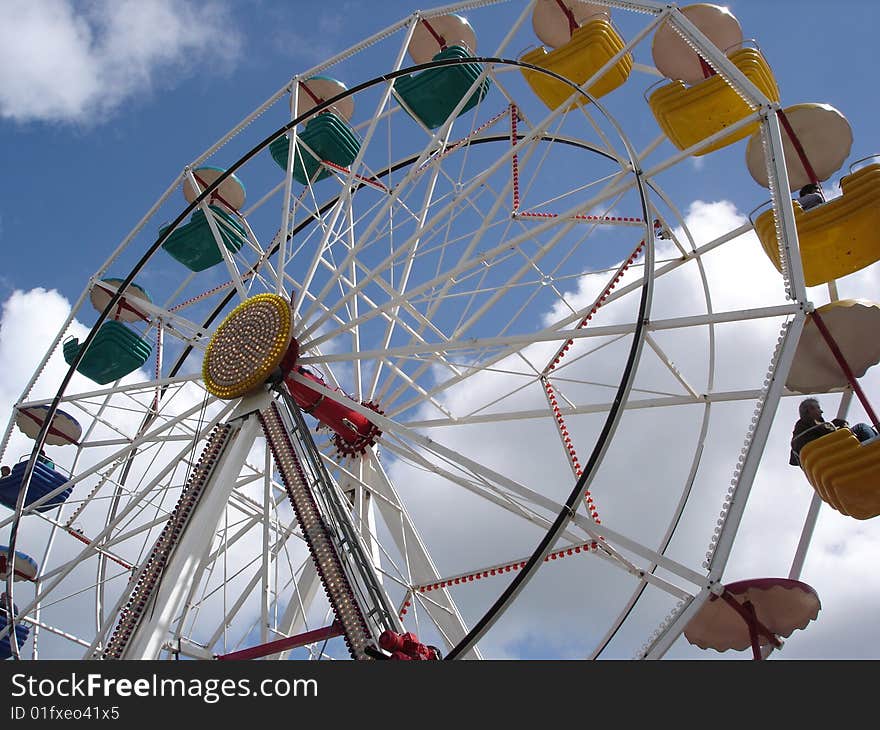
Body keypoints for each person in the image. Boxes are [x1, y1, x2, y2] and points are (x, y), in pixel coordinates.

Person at [789, 397, 878, 466]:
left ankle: (874, 444)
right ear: (810, 410)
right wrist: (839, 426)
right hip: (831, 452)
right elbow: (827, 436)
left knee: (860, 432)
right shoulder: (806, 427)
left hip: (826, 454)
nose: (821, 411)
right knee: (861, 427)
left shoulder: (804, 429)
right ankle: (874, 450)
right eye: (818, 408)